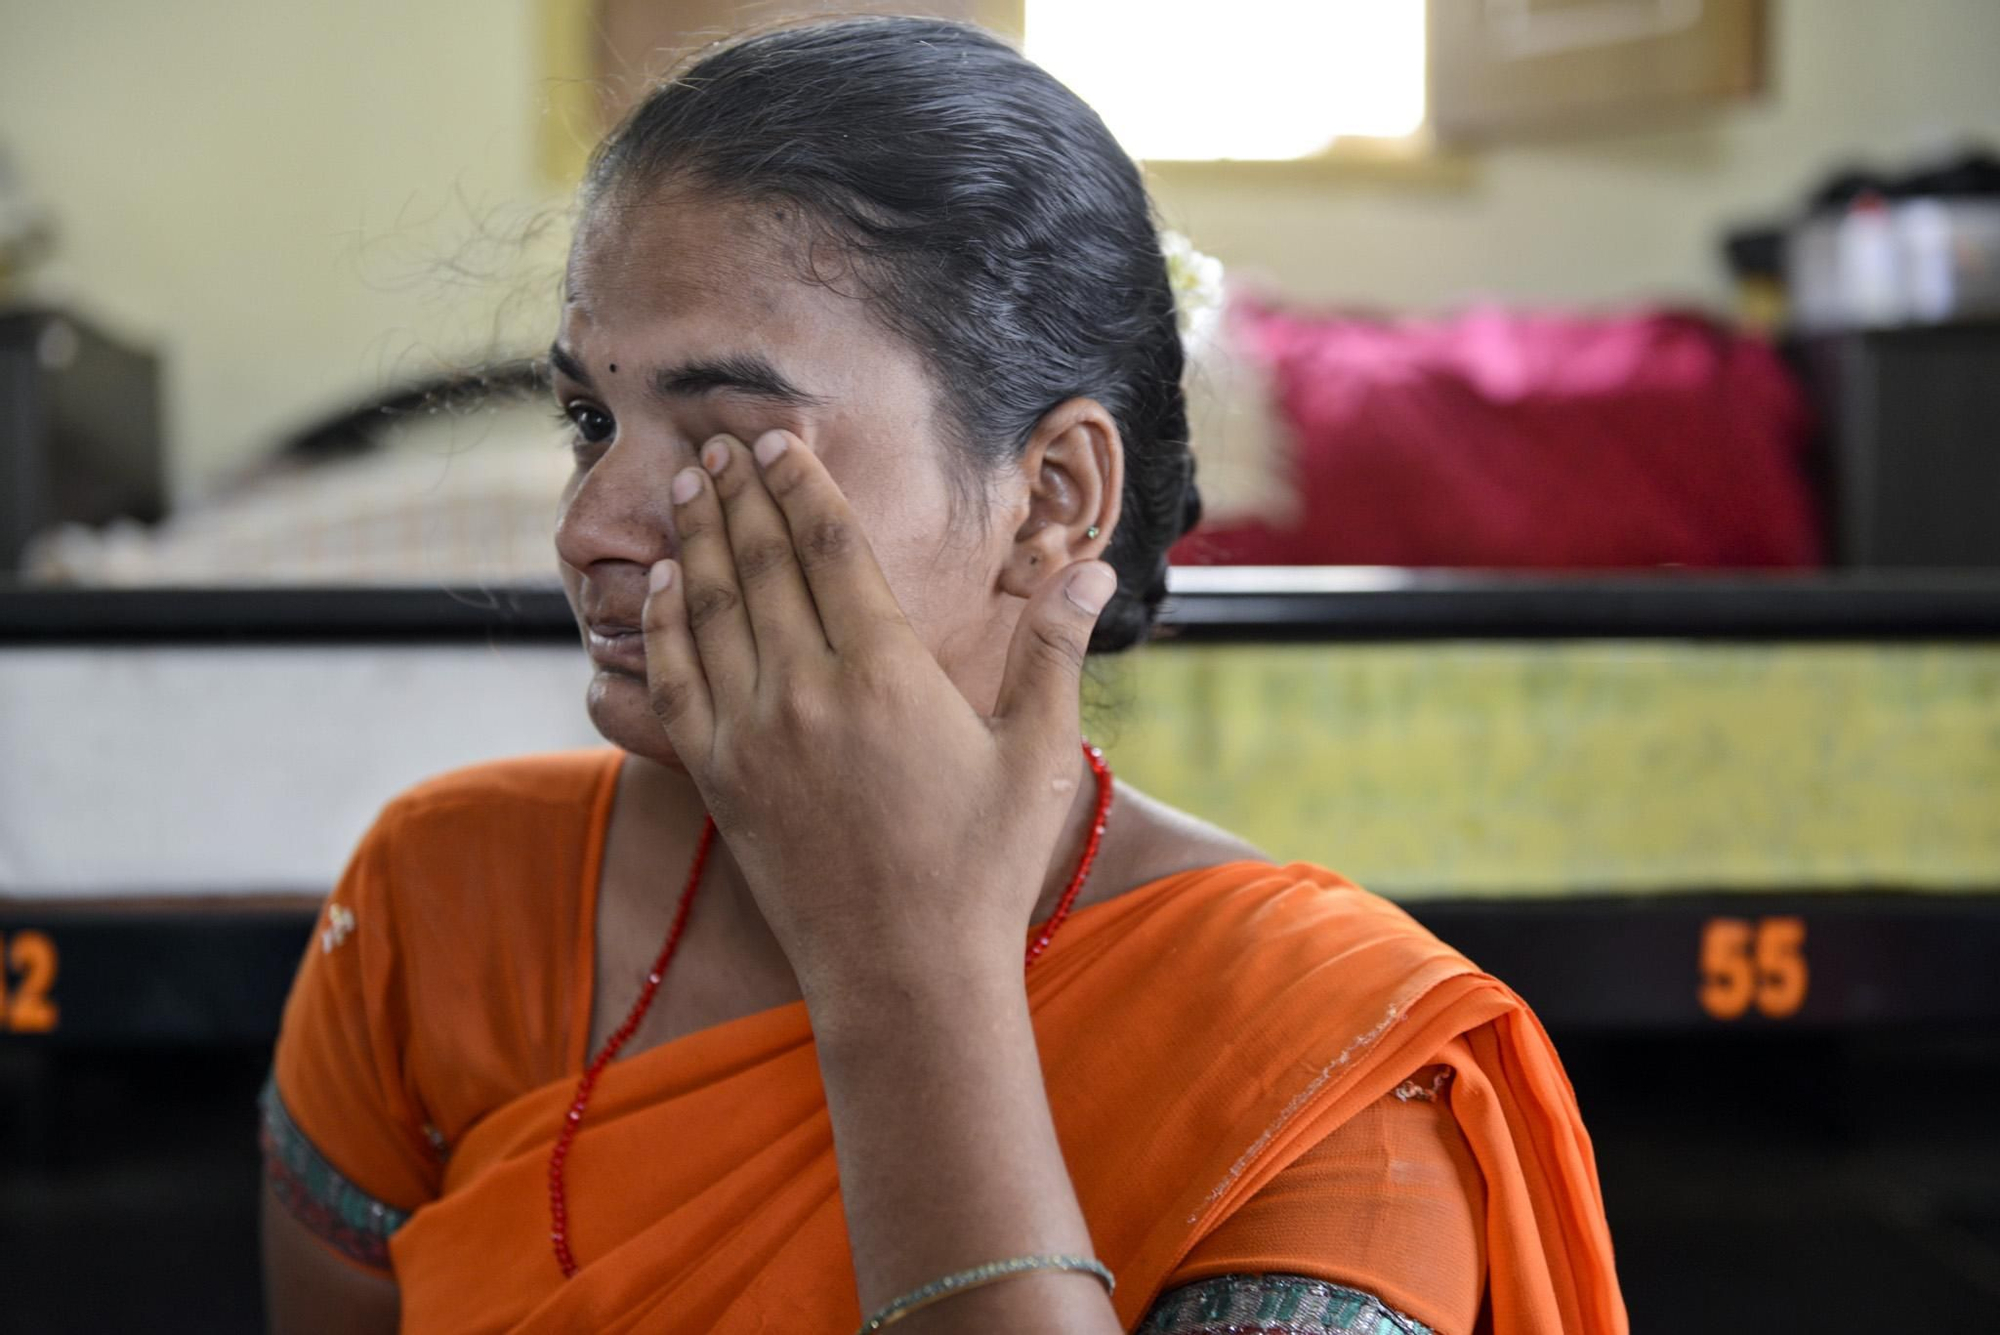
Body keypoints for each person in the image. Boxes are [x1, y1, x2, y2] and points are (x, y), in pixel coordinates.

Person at [259, 17, 1625, 1334]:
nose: (587, 529)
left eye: (724, 439)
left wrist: (900, 967)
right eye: (588, 419)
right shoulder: (442, 899)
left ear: (1053, 498)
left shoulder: (1321, 1061)